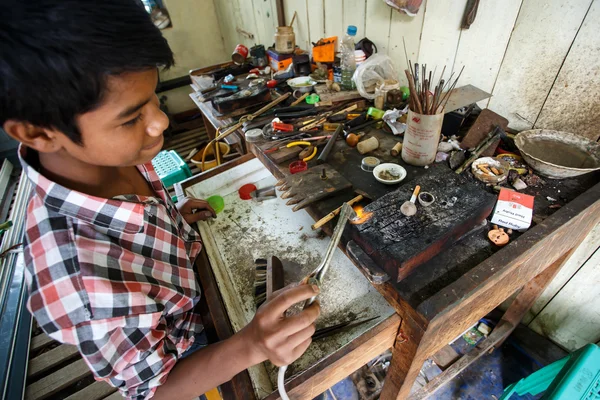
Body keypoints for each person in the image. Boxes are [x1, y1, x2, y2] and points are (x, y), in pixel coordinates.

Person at [0, 1, 320, 399]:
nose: (160, 121)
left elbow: (138, 213)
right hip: (192, 355)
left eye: (155, 96)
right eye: (132, 117)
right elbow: (157, 391)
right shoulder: (80, 284)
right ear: (40, 133)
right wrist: (251, 346)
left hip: (195, 280)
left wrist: (169, 219)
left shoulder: (117, 154)